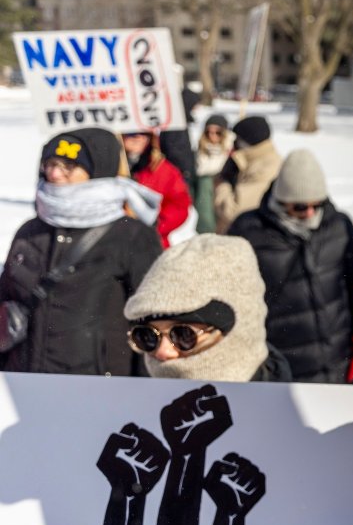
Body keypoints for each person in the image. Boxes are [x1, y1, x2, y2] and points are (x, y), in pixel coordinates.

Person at [123, 233, 353, 525]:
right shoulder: (126, 430)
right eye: (148, 335)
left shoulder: (311, 425)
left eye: (183, 334)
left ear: (234, 331)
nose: (162, 352)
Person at [0, 129, 162, 375]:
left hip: (98, 389)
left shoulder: (133, 236)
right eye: (50, 164)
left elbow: (151, 321)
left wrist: (142, 392)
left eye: (69, 166)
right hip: (24, 383)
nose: (55, 174)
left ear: (97, 173)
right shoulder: (30, 230)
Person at [228, 149, 353, 383]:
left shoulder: (339, 226)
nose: (309, 213)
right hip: (282, 369)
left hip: (339, 364)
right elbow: (235, 301)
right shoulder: (249, 231)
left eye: (316, 205)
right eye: (299, 207)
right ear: (281, 200)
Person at [123, 131, 192, 248]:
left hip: (152, 245)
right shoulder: (108, 169)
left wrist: (157, 225)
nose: (138, 137)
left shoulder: (162, 169)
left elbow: (180, 205)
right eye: (131, 133)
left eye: (144, 133)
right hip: (116, 247)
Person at [213, 115, 281, 233]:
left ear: (248, 142)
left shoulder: (265, 169)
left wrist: (223, 184)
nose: (234, 144)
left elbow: (233, 212)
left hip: (245, 239)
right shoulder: (252, 160)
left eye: (238, 140)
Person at [194, 113, 233, 234]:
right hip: (205, 194)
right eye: (208, 132)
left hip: (224, 189)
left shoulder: (231, 150)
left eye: (218, 132)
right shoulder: (199, 150)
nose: (213, 136)